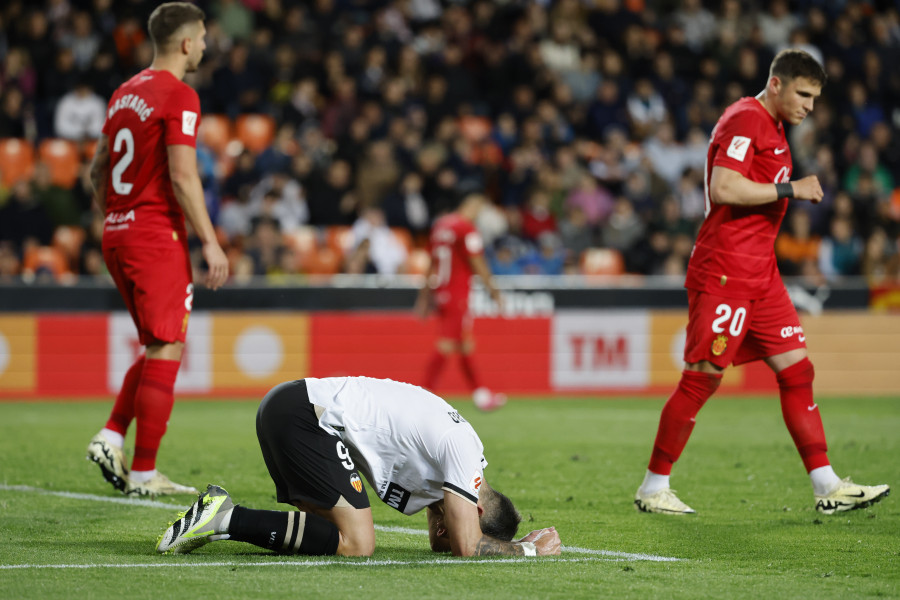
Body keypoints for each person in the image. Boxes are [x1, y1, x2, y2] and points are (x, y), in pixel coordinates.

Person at [633, 49, 889, 516]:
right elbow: (724, 188)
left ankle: (827, 485)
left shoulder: (771, 127)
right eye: (803, 94)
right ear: (776, 84)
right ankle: (654, 486)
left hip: (761, 274)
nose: (810, 106)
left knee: (797, 371)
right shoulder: (746, 118)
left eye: (814, 98)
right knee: (702, 381)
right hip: (726, 270)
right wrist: (792, 188)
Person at [156, 376, 561, 557]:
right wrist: (528, 550)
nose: (437, 529)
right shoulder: (465, 453)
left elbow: (447, 544)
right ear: (474, 510)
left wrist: (489, 542)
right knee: (359, 543)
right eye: (449, 522)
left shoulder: (453, 469)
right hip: (305, 416)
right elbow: (466, 546)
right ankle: (226, 517)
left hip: (288, 408)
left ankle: (225, 519)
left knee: (331, 537)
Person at [85, 3, 229, 497]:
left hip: (117, 232)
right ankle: (144, 474)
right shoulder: (180, 95)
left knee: (155, 343)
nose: (206, 45)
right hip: (153, 234)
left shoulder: (124, 93)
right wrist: (210, 241)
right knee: (168, 345)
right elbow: (184, 175)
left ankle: (110, 435)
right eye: (204, 37)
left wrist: (115, 218)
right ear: (187, 42)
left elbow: (98, 167)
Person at [415, 193, 506, 411]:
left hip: (442, 291)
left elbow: (432, 262)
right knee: (446, 344)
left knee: (464, 344)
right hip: (458, 293)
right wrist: (494, 291)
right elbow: (477, 262)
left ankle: (481, 396)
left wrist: (425, 296)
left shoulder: (441, 226)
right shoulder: (466, 229)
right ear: (472, 206)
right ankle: (422, 394)